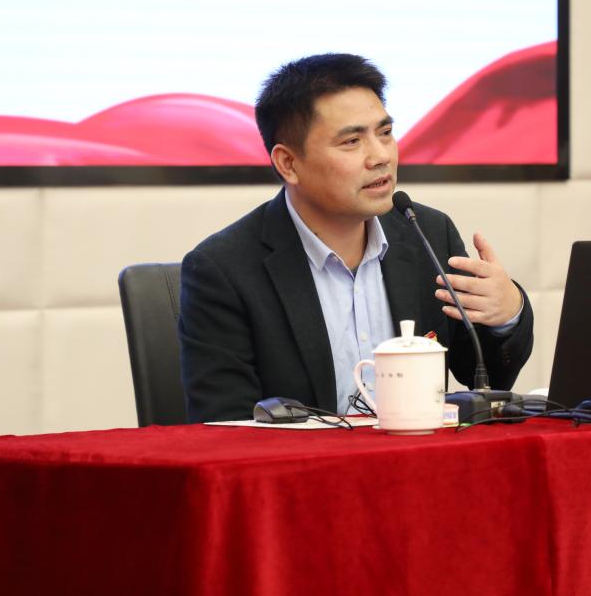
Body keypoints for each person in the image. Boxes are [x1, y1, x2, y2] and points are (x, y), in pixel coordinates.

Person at [179, 53, 533, 423]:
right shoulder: (224, 269)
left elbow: (484, 375)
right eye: (351, 141)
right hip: (303, 460)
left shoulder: (427, 233)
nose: (381, 156)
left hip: (416, 455)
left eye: (385, 133)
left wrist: (507, 314)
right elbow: (225, 425)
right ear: (288, 163)